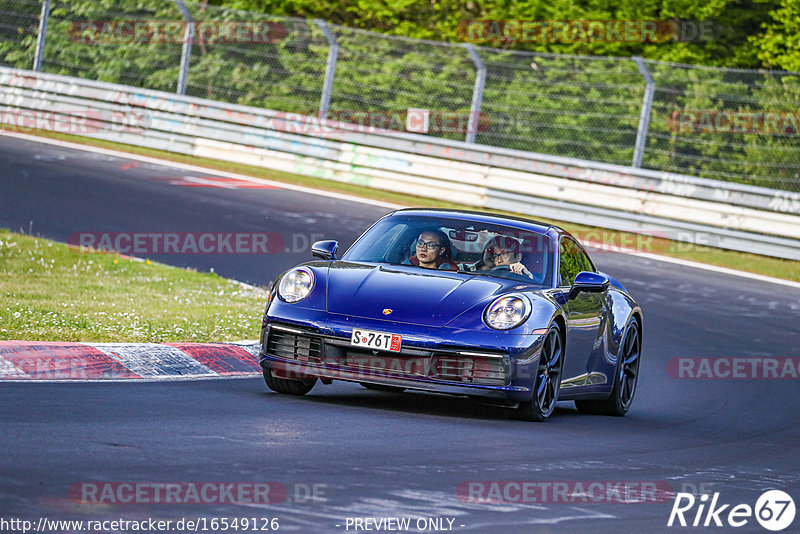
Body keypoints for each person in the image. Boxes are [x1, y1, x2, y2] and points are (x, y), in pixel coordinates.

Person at [468, 236, 534, 279]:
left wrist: (526, 274)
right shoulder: (466, 270)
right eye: (491, 251)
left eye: (504, 254)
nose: (498, 260)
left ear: (518, 257)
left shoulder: (523, 275)